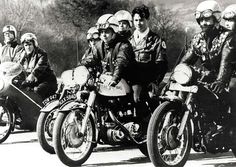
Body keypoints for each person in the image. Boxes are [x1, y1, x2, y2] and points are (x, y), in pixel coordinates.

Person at [180, 0, 236, 118]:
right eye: (200, 20)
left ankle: (231, 125)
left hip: (230, 75)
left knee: (233, 88)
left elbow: (226, 62)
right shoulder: (197, 39)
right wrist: (177, 76)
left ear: (216, 19)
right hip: (212, 76)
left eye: (207, 19)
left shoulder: (228, 36)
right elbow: (186, 61)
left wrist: (221, 81)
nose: (203, 23)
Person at [129, 4, 168, 124]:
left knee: (149, 101)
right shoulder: (129, 40)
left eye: (141, 20)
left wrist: (155, 82)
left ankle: (152, 129)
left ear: (147, 20)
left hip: (148, 82)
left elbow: (161, 64)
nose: (138, 23)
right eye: (136, 20)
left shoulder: (156, 40)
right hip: (131, 81)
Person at [80, 13, 136, 87]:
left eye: (107, 32)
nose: (103, 35)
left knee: (136, 98)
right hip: (106, 80)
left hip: (125, 80)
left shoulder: (123, 45)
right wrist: (79, 67)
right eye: (101, 32)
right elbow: (91, 58)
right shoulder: (99, 45)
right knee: (91, 93)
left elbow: (121, 63)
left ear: (114, 31)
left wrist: (115, 78)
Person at [19, 33, 57, 99]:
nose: (28, 47)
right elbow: (18, 66)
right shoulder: (22, 56)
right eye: (26, 45)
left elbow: (39, 67)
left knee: (36, 92)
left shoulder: (41, 54)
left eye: (30, 44)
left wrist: (33, 75)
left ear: (34, 44)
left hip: (47, 81)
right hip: (33, 81)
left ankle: (38, 108)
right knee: (20, 89)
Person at [222, 4, 236, 124]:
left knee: (233, 86)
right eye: (225, 20)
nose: (227, 23)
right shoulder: (223, 38)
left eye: (231, 20)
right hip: (226, 74)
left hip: (234, 77)